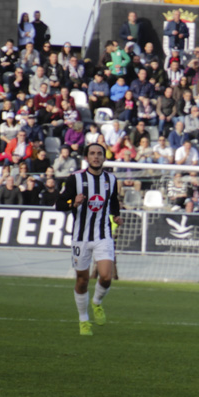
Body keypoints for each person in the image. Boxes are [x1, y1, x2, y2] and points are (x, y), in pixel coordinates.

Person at [56, 143, 122, 336]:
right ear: (86, 157)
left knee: (106, 276)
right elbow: (59, 204)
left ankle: (97, 303)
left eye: (99, 154)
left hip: (103, 235)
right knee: (82, 280)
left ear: (103, 157)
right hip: (80, 237)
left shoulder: (110, 179)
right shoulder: (75, 179)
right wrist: (72, 203)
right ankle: (83, 320)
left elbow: (113, 202)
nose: (96, 157)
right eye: (92, 153)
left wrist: (117, 216)